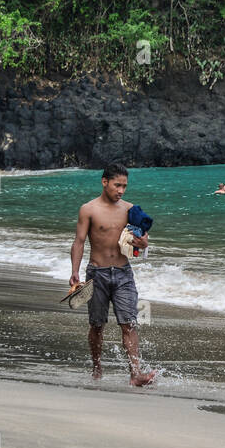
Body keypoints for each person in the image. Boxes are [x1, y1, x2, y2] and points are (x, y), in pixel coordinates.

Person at [70, 164, 158, 386]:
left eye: (124, 186)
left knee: (129, 323)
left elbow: (142, 246)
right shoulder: (88, 209)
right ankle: (97, 368)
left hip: (123, 273)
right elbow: (79, 242)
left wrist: (145, 243)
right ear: (104, 182)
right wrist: (74, 271)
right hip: (96, 273)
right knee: (97, 325)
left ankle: (135, 374)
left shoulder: (131, 210)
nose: (121, 190)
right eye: (117, 185)